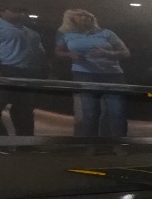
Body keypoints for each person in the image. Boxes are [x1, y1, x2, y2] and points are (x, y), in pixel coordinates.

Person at [55, 9, 130, 137]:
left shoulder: (107, 33)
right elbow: (58, 52)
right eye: (80, 16)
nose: (84, 18)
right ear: (72, 19)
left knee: (117, 111)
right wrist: (70, 54)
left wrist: (107, 53)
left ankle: (119, 143)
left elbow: (126, 53)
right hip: (84, 75)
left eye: (87, 16)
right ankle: (90, 145)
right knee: (90, 112)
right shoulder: (66, 35)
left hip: (112, 75)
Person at [0, 6, 47, 136]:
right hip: (6, 69)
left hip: (29, 72)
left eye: (22, 11)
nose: (19, 13)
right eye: (14, 10)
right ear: (2, 11)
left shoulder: (31, 32)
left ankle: (25, 142)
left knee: (25, 107)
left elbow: (40, 52)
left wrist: (44, 70)